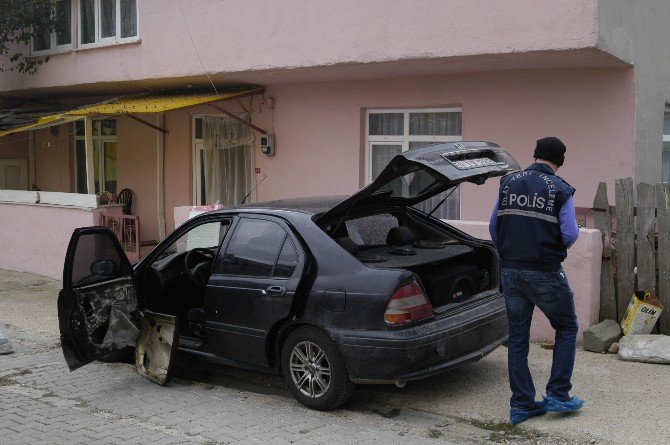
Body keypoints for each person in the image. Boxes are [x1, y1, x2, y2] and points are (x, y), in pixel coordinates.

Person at [489, 137, 583, 425]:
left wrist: (510, 251)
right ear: (560, 160)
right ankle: (558, 394)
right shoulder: (561, 189)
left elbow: (495, 226)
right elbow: (570, 234)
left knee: (517, 338)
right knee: (566, 326)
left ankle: (521, 405)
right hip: (544, 271)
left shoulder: (509, 183)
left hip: (511, 271)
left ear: (536, 155)